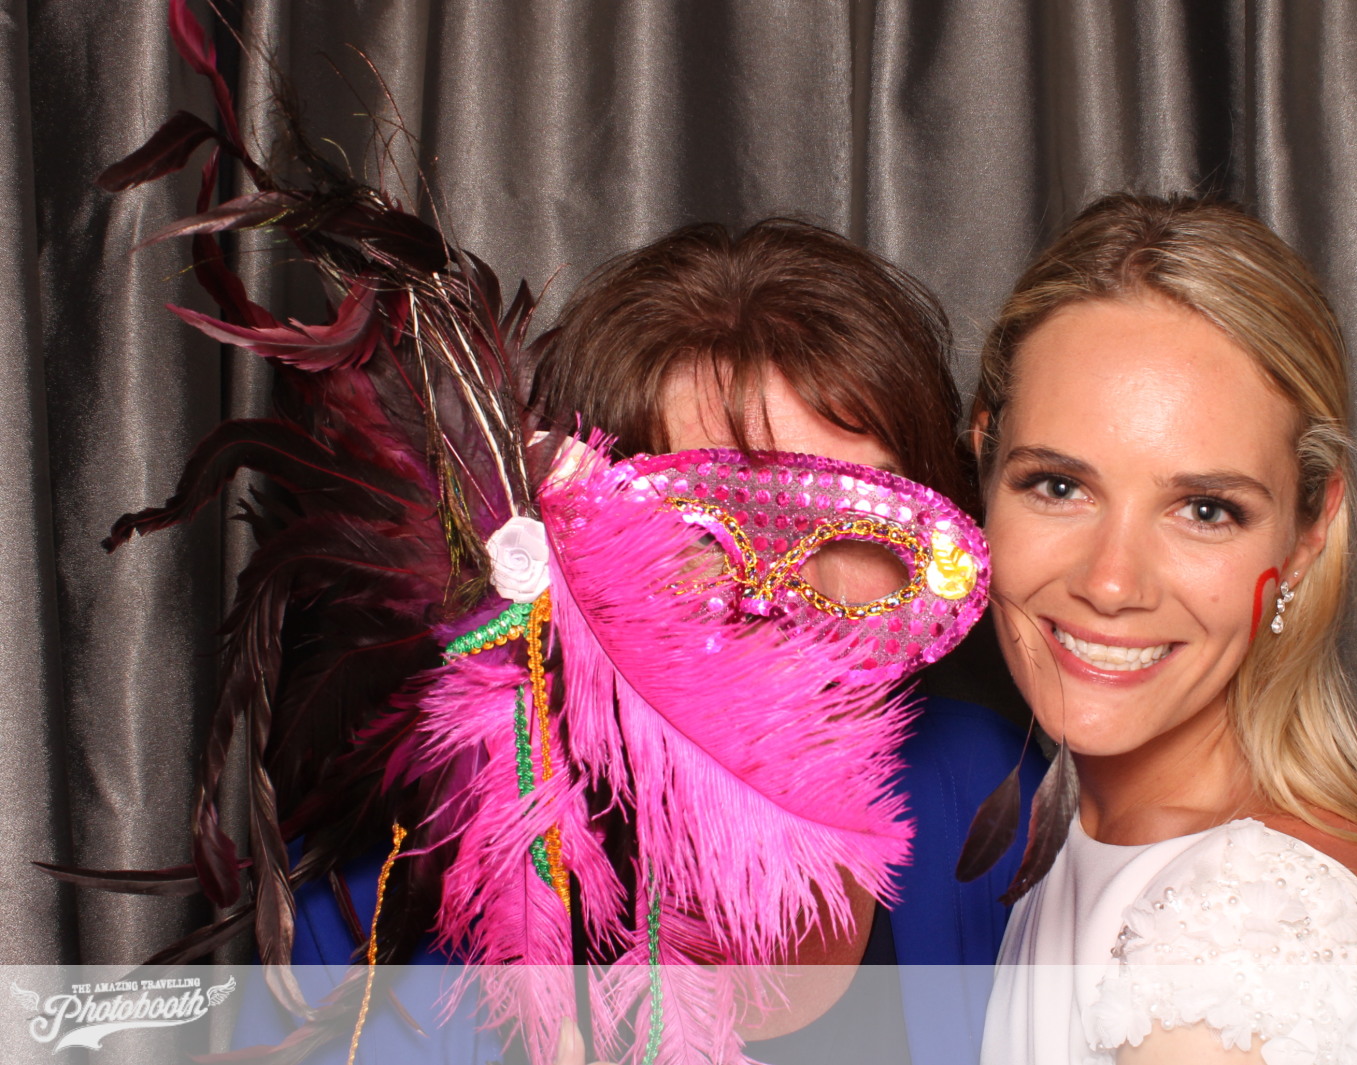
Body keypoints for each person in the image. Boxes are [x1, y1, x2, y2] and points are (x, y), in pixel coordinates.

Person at [245, 218, 1045, 1065]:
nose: (783, 604)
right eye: (705, 532)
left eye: (861, 526)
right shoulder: (365, 901)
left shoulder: (1001, 800)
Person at [970, 194, 1357, 1064]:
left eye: (1205, 509)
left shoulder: (1242, 937)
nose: (1111, 582)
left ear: (1305, 534)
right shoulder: (1083, 822)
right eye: (1059, 486)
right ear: (985, 459)